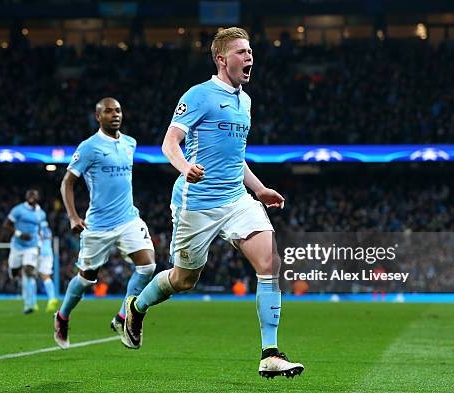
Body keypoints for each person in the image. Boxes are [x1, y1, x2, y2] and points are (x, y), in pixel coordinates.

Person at [122, 27, 304, 379]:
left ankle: (270, 353)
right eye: (241, 52)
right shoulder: (200, 95)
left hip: (237, 199)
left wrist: (261, 189)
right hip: (198, 203)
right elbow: (169, 143)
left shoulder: (245, 101)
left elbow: (236, 159)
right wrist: (186, 167)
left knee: (269, 262)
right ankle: (137, 306)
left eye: (250, 51)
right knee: (184, 280)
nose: (249, 57)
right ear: (222, 59)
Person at [54, 97, 156, 349]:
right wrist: (73, 216)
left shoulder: (130, 143)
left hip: (128, 219)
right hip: (98, 225)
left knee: (147, 266)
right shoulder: (89, 147)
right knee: (87, 278)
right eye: (109, 111)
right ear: (98, 116)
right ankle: (62, 316)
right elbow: (67, 182)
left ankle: (123, 317)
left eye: (118, 110)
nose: (115, 115)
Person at [1, 189, 46, 314]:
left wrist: (39, 245)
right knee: (14, 272)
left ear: (38, 197)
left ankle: (29, 304)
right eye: (29, 194)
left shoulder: (41, 213)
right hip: (17, 246)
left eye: (34, 194)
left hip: (31, 247)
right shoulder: (18, 210)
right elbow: (6, 225)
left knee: (28, 271)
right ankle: (19, 276)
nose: (31, 196)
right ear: (26, 197)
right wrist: (19, 234)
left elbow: (41, 231)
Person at [39, 220, 59, 312]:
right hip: (49, 252)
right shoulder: (48, 231)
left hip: (39, 252)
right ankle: (52, 298)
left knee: (29, 274)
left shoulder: (37, 229)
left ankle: (30, 302)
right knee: (46, 276)